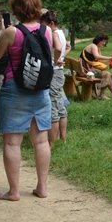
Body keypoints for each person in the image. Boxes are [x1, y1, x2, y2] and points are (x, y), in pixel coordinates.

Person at [0, 0, 52, 201]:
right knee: (41, 142)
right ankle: (42, 187)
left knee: (12, 143)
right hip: (41, 91)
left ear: (16, 10)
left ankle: (14, 192)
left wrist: (1, 35)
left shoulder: (11, 32)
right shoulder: (47, 31)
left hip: (14, 89)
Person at [41, 10, 70, 145]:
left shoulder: (53, 33)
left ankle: (51, 143)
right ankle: (62, 138)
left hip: (54, 72)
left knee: (53, 106)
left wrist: (55, 60)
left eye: (44, 24)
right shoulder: (60, 32)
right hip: (59, 72)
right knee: (60, 106)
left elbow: (58, 48)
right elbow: (65, 47)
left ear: (51, 23)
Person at [81, 34, 112, 99]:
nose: (104, 43)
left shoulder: (96, 47)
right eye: (103, 41)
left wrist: (111, 60)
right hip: (86, 72)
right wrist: (110, 57)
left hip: (86, 70)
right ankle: (111, 95)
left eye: (105, 42)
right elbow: (96, 56)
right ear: (98, 40)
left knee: (108, 75)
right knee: (108, 75)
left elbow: (100, 60)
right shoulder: (93, 46)